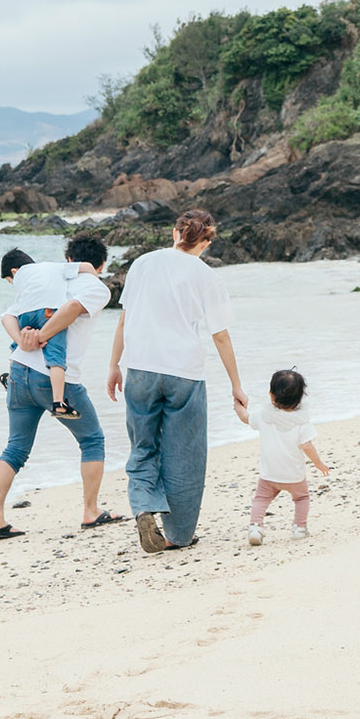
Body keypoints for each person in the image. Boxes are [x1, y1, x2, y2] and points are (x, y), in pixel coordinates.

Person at [107, 209, 247, 553]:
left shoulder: (141, 264)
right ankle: (177, 535)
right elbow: (221, 336)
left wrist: (114, 366)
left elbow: (125, 320)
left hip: (139, 368)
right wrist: (236, 385)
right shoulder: (208, 276)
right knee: (184, 454)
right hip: (184, 373)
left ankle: (143, 507)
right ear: (207, 241)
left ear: (175, 233)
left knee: (143, 447)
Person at [0, 236, 125, 541]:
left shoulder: (42, 282)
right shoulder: (96, 286)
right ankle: (90, 511)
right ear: (99, 265)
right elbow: (72, 307)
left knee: (16, 447)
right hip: (55, 377)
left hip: (18, 371)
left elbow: (7, 315)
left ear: (67, 259)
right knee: (92, 439)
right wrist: (43, 336)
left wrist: (23, 340)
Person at [240, 368, 329, 544]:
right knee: (302, 498)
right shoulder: (302, 422)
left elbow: (245, 417)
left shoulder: (263, 415)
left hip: (269, 474)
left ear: (271, 394)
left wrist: (238, 405)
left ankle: (256, 528)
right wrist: (318, 463)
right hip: (294, 475)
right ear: (300, 398)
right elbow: (307, 446)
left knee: (261, 499)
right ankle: (299, 528)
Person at [2, 252, 83, 420]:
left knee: (18, 341)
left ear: (14, 272)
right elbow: (87, 267)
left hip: (25, 313)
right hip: (50, 311)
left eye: (10, 281)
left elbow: (9, 315)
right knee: (56, 355)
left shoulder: (22, 279)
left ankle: (11, 378)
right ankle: (59, 403)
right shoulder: (54, 266)